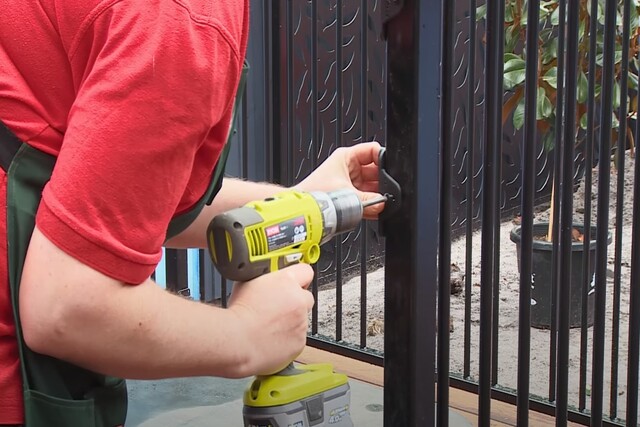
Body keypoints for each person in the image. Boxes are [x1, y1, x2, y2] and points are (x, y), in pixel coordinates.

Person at [0, 1, 385, 426]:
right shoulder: (183, 19)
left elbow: (129, 201)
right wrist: (246, 335)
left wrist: (301, 199)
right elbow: (66, 306)